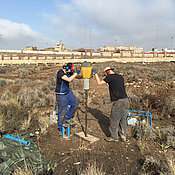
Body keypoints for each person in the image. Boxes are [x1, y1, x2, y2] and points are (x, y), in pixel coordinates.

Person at [93, 67, 129, 142]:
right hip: (126, 100)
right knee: (123, 119)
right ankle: (123, 136)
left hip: (119, 101)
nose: (105, 75)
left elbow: (99, 83)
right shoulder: (120, 77)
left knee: (114, 119)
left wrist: (95, 74)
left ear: (108, 72)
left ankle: (114, 137)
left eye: (105, 74)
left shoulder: (110, 77)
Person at [55, 63, 81, 133]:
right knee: (62, 111)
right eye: (70, 70)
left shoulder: (69, 72)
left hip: (68, 92)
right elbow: (68, 79)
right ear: (66, 68)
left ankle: (68, 118)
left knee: (75, 104)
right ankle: (61, 128)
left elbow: (76, 76)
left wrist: (85, 74)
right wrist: (76, 73)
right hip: (61, 95)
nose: (70, 71)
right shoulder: (60, 73)